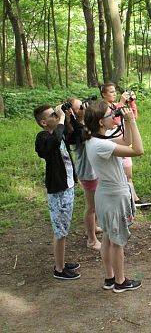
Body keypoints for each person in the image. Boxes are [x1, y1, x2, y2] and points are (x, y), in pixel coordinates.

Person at [84, 101, 143, 293]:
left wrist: (126, 122)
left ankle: (110, 278)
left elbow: (126, 142)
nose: (115, 117)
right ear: (101, 122)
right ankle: (120, 281)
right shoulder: (100, 145)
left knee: (109, 238)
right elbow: (137, 150)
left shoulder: (95, 140)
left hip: (106, 195)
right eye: (112, 115)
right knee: (117, 241)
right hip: (114, 196)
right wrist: (132, 121)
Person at [34, 104, 80, 280]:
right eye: (53, 114)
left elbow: (77, 136)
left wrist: (68, 117)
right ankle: (59, 269)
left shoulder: (59, 133)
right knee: (60, 230)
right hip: (58, 190)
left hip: (67, 186)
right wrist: (61, 120)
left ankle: (60, 261)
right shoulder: (43, 137)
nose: (57, 115)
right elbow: (52, 144)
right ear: (44, 122)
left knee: (64, 227)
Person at [100, 83, 151, 210]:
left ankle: (134, 199)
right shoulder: (103, 108)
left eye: (114, 91)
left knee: (128, 174)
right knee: (120, 174)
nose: (114, 94)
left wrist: (132, 102)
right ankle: (129, 200)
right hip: (112, 141)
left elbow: (132, 116)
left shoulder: (115, 106)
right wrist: (122, 102)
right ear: (103, 94)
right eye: (111, 92)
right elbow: (114, 121)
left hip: (123, 139)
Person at [66, 98, 101, 251]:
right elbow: (86, 133)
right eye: (80, 107)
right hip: (88, 172)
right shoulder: (75, 130)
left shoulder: (84, 124)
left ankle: (95, 226)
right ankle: (91, 239)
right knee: (91, 206)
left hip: (95, 169)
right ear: (73, 112)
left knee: (97, 203)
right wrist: (77, 119)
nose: (84, 107)